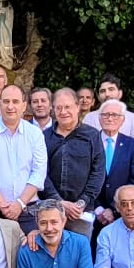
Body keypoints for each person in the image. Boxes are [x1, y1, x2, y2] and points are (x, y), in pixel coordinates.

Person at [0, 84, 50, 232]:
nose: (10, 106)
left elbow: (39, 172)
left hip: (28, 209)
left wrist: (20, 203)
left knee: (30, 246)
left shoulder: (35, 134)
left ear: (24, 106)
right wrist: (2, 203)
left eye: (15, 101)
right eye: (6, 101)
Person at [42, 88, 105, 239]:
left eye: (67, 107)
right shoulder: (44, 137)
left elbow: (98, 172)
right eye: (59, 108)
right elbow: (40, 172)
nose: (63, 112)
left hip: (81, 212)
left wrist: (82, 202)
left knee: (79, 251)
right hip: (51, 210)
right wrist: (59, 202)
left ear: (77, 107)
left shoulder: (92, 136)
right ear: (53, 110)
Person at [91, 99, 134, 230]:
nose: (110, 119)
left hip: (123, 212)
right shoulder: (88, 143)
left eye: (115, 115)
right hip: (94, 213)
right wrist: (98, 208)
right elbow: (83, 178)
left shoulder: (133, 145)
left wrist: (114, 209)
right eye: (105, 115)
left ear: (122, 120)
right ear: (99, 118)